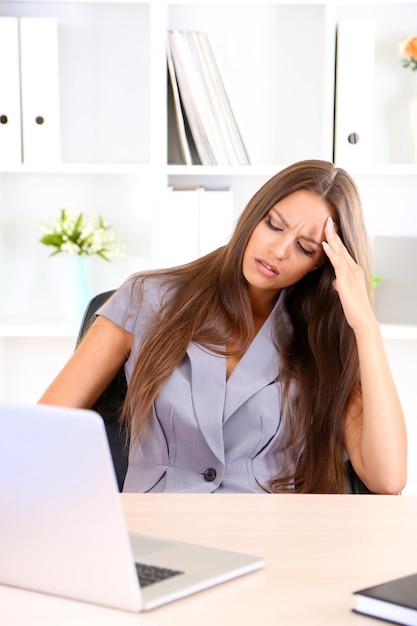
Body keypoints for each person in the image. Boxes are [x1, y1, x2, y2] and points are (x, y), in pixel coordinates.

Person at [38, 159, 407, 494]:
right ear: (253, 215)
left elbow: (387, 478)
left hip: (270, 540)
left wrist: (366, 326)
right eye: (274, 225)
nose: (278, 250)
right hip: (154, 529)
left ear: (320, 264)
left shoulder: (322, 339)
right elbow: (44, 427)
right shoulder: (145, 296)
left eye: (305, 247)